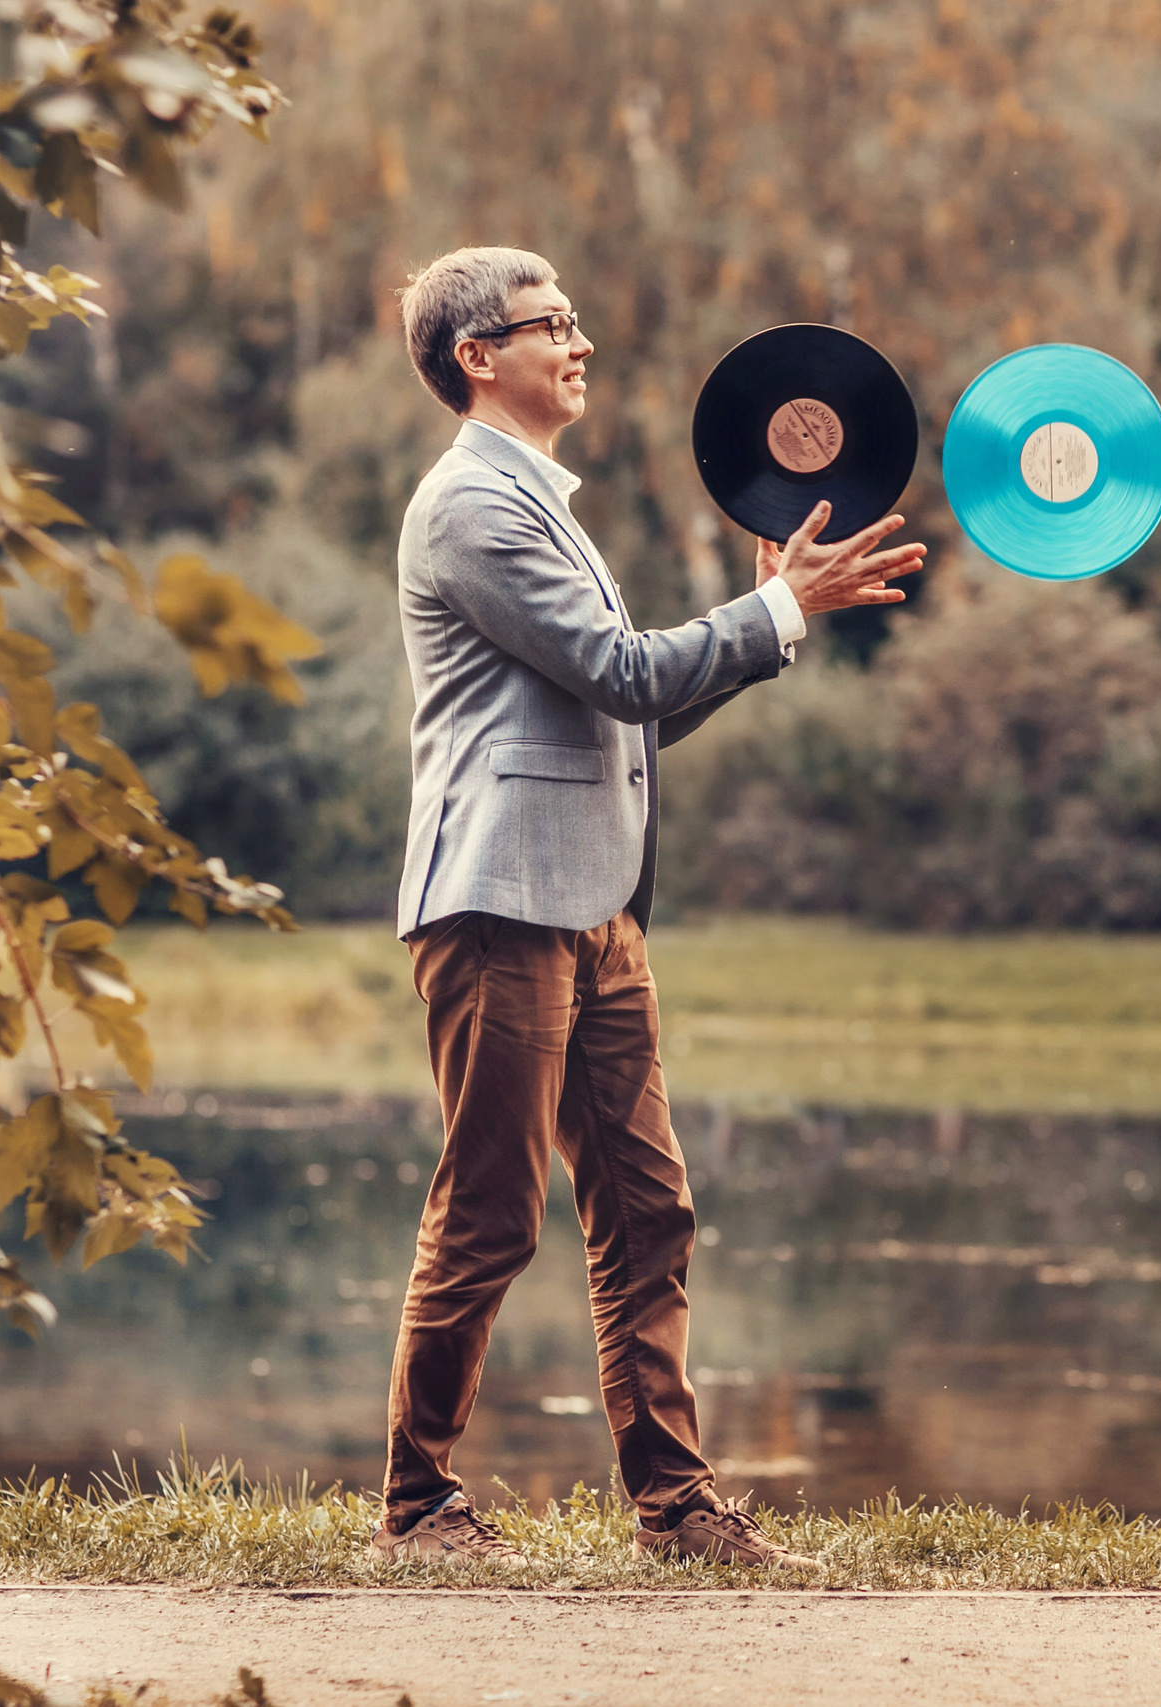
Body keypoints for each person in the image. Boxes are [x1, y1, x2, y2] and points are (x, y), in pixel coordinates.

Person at [378, 245, 925, 1570]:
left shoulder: (543, 504)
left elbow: (640, 707)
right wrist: (776, 602)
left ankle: (676, 1505)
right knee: (495, 1204)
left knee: (650, 1205)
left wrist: (773, 623)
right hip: (502, 899)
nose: (579, 341)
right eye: (548, 322)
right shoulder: (472, 506)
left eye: (576, 317)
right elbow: (624, 671)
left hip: (599, 905)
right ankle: (415, 1500)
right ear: (475, 354)